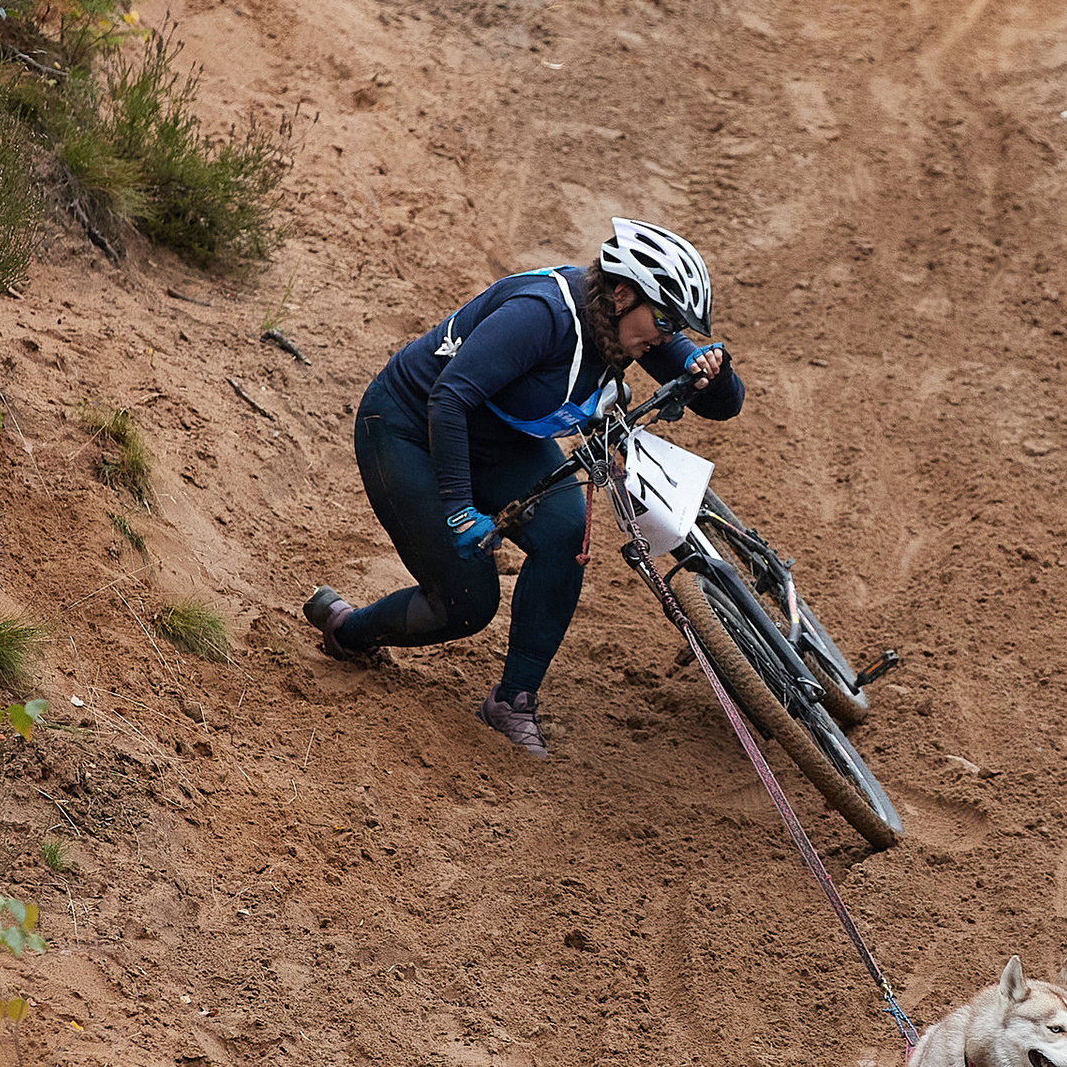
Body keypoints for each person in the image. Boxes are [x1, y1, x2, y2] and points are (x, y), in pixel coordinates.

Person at [302, 220, 740, 758]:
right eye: (666, 321)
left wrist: (714, 371)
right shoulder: (541, 316)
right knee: (467, 604)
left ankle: (513, 700)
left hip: (496, 438)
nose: (668, 338)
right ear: (622, 293)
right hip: (408, 430)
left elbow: (723, 405)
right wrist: (460, 509)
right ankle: (350, 629)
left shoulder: (631, 325)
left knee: (564, 533)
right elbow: (448, 399)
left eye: (678, 327)